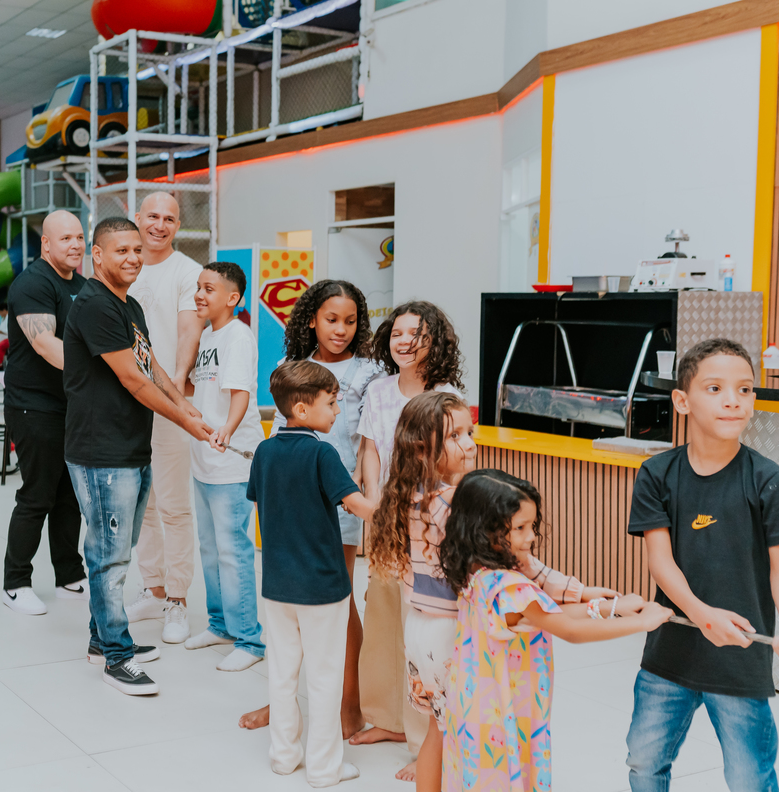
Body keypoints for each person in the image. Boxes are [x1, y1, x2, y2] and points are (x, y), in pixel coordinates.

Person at [371, 393, 618, 792]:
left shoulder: (408, 495)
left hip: (420, 629)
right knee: (460, 730)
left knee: (440, 726)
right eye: (455, 435)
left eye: (470, 430)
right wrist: (578, 592)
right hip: (454, 631)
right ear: (422, 448)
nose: (469, 443)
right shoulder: (455, 505)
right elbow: (519, 564)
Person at [439, 469, 670, 792]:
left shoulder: (478, 573)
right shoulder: (510, 586)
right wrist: (641, 623)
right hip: (501, 712)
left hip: (474, 705)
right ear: (486, 531)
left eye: (531, 525)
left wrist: (609, 608)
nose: (531, 536)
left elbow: (544, 614)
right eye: (520, 528)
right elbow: (568, 630)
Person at [62, 216, 213, 695]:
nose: (131, 257)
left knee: (114, 552)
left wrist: (184, 401)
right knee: (109, 559)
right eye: (119, 250)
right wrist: (186, 421)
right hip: (100, 453)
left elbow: (152, 366)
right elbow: (132, 379)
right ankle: (117, 657)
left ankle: (99, 641)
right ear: (97, 255)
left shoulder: (127, 305)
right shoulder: (94, 306)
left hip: (129, 448)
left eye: (135, 250)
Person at [625, 339, 779, 792]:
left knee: (751, 779)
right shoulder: (656, 474)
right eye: (715, 388)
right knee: (644, 762)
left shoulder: (768, 479)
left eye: (745, 389)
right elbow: (661, 562)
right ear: (681, 400)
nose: (733, 400)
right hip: (669, 654)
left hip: (741, 659)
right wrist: (702, 614)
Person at [240, 279, 382, 735]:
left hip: (340, 498)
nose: (340, 329)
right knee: (287, 606)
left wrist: (363, 480)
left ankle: (349, 707)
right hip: (291, 501)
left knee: (338, 605)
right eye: (331, 319)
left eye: (350, 321)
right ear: (311, 320)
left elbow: (368, 438)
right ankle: (281, 705)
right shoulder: (290, 366)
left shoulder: (368, 371)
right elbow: (282, 436)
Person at [350, 300, 466, 776]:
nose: (403, 341)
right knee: (382, 612)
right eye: (396, 332)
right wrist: (375, 501)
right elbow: (371, 448)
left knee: (424, 626)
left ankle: (426, 743)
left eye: (414, 334)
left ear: (434, 341)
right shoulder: (378, 389)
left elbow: (454, 457)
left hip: (430, 518)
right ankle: (386, 717)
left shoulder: (446, 394)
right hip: (384, 512)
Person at [249, 360, 375, 787]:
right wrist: (392, 499)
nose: (338, 411)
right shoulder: (323, 452)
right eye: (332, 402)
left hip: (277, 583)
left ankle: (283, 757)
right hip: (322, 585)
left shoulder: (266, 449)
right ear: (302, 409)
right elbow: (358, 506)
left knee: (282, 673)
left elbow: (260, 502)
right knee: (324, 678)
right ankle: (324, 769)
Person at [123, 191, 205, 644]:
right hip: (125, 403)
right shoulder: (126, 265)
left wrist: (171, 393)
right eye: (152, 215)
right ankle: (153, 589)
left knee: (173, 504)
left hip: (166, 402)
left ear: (178, 226)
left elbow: (187, 335)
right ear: (137, 217)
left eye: (169, 218)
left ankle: (178, 598)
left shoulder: (186, 272)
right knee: (144, 505)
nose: (159, 224)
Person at [0, 210, 89, 616]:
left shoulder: (84, 286)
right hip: (33, 405)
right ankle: (16, 582)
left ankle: (69, 573)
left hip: (72, 405)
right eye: (65, 238)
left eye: (79, 237)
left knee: (70, 493)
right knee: (37, 494)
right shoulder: (33, 283)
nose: (74, 244)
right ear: (46, 244)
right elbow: (46, 346)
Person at [181, 261, 267, 671]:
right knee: (211, 550)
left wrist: (226, 432)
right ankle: (220, 625)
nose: (200, 294)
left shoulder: (238, 335)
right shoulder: (207, 335)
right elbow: (199, 388)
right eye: (198, 287)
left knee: (234, 551)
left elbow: (241, 394)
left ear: (232, 298)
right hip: (203, 461)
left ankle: (250, 640)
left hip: (230, 462)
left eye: (209, 289)